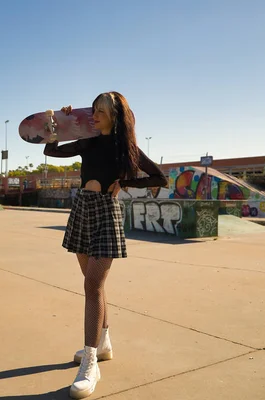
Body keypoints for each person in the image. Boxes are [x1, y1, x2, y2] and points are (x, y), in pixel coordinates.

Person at [43, 91, 168, 399]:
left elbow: (159, 178)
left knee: (92, 286)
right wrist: (59, 124)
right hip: (82, 210)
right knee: (93, 284)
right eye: (94, 111)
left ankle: (90, 362)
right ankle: (104, 342)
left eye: (100, 111)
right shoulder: (88, 141)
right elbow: (51, 152)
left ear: (115, 116)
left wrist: (125, 183)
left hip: (106, 213)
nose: (95, 116)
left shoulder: (125, 148)